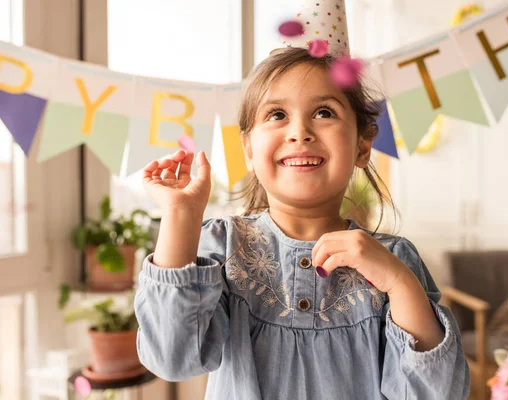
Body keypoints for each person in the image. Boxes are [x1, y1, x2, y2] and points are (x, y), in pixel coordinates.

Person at [134, 47, 469, 400]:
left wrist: (400, 283)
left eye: (324, 112)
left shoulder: (395, 259)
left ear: (362, 146)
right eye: (277, 114)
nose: (300, 132)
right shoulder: (221, 245)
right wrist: (179, 216)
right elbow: (172, 360)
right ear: (248, 149)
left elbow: (437, 394)